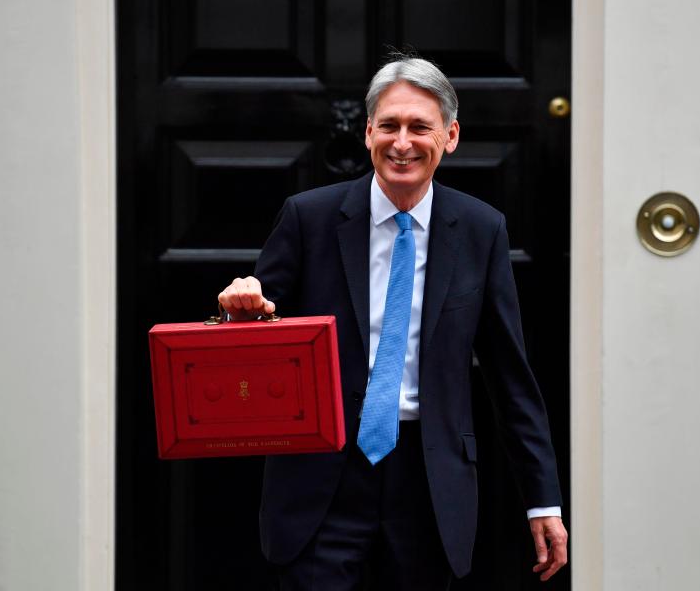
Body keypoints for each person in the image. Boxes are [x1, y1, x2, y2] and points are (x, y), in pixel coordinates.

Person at [218, 56, 568, 590]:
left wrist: (541, 499)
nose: (402, 142)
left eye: (419, 127)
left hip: (430, 485)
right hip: (323, 482)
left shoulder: (480, 230)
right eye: (389, 125)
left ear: (449, 136)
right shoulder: (308, 218)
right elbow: (253, 339)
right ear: (368, 133)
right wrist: (237, 312)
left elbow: (510, 377)